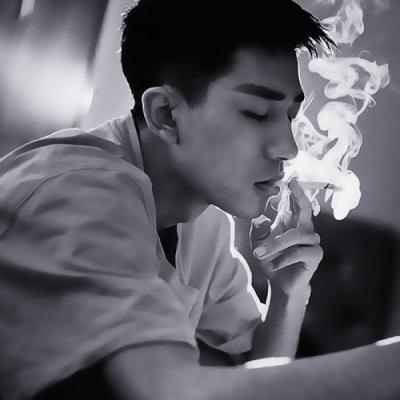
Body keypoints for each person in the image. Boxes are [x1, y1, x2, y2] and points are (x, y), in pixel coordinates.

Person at [0, 0, 398, 399]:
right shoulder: (79, 192)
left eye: (290, 116)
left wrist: (287, 294)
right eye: (258, 113)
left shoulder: (203, 220)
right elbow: (170, 392)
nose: (289, 148)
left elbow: (254, 373)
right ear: (165, 114)